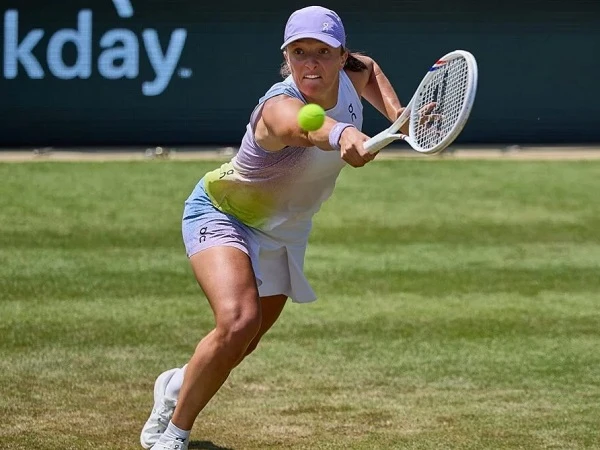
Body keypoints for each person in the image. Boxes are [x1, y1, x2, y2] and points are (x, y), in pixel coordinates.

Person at [140, 6, 407, 450]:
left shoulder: (354, 72)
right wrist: (343, 134)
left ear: (343, 56)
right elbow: (302, 128)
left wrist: (399, 116)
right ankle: (174, 434)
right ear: (287, 57)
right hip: (222, 212)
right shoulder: (278, 106)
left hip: (286, 231)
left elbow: (371, 69)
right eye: (299, 52)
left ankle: (177, 384)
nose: (311, 64)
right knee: (238, 321)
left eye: (323, 52)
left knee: (242, 344)